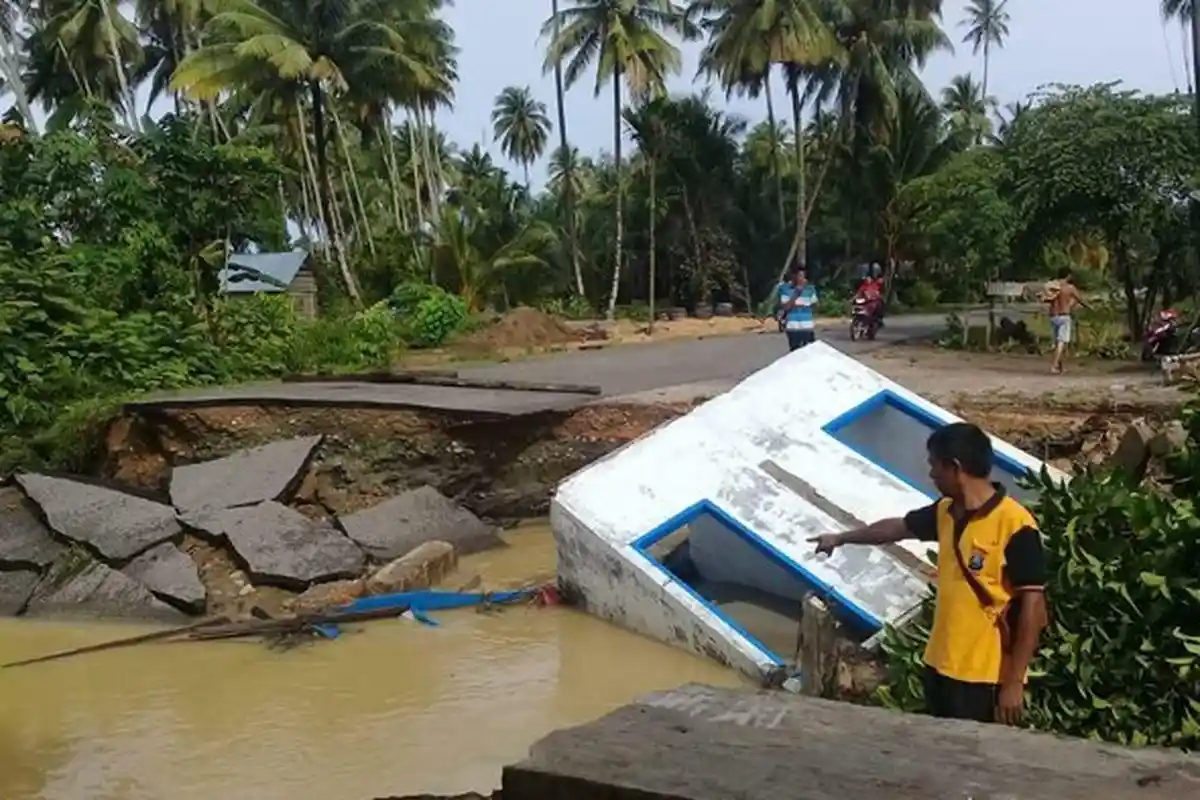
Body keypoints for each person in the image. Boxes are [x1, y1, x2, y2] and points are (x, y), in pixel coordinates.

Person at [809, 423, 1049, 725]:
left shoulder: (1016, 525)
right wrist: (841, 538)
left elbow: (1033, 607)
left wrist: (1014, 683)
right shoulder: (945, 512)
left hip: (984, 677)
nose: (932, 475)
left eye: (935, 466)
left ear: (955, 467)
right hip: (939, 665)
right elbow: (897, 528)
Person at [1042, 268, 1089, 374]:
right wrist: (1088, 307)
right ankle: (1054, 365)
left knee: (1058, 342)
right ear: (1068, 275)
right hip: (1064, 316)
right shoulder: (1070, 288)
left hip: (1053, 316)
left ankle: (1060, 367)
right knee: (1062, 342)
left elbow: (1048, 299)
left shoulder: (1054, 287)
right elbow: (1080, 299)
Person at [776, 268, 818, 351]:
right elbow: (786, 307)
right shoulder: (785, 290)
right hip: (793, 327)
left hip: (807, 326)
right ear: (793, 277)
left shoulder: (810, 290)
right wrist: (796, 294)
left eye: (804, 276)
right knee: (796, 353)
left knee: (810, 352)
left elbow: (815, 305)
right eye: (799, 276)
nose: (801, 279)